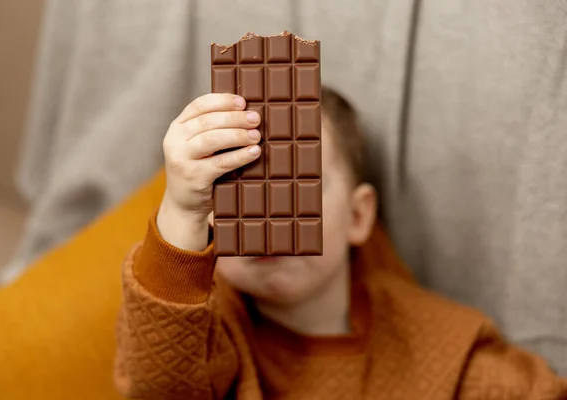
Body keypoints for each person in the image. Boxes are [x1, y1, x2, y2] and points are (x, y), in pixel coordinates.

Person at [113, 87, 567, 399]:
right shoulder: (209, 336)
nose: (269, 211)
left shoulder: (434, 344)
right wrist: (181, 210)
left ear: (358, 216)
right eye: (238, 187)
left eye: (297, 183)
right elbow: (160, 384)